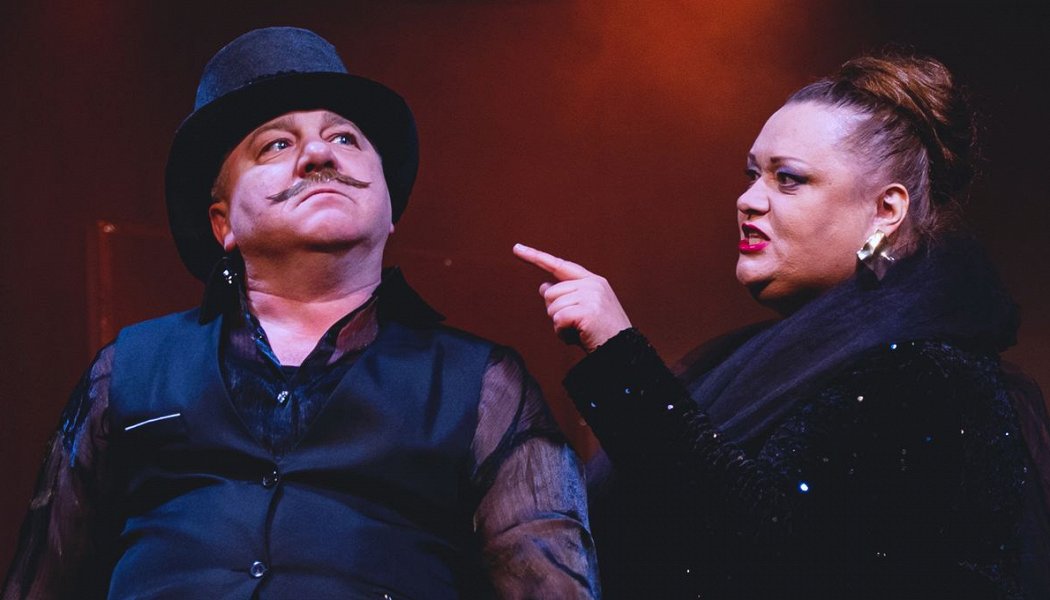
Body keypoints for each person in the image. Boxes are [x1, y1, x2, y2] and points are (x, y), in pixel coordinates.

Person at [3, 27, 599, 599]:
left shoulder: (482, 384)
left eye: (345, 139)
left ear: (389, 207)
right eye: (276, 144)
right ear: (223, 223)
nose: (318, 153)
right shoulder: (128, 369)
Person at [515, 53, 1050, 598]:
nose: (748, 200)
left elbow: (762, 553)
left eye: (788, 179)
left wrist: (618, 356)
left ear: (886, 210)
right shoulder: (807, 359)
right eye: (753, 175)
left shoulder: (928, 374)